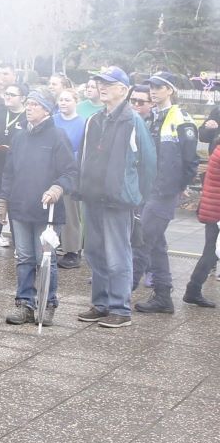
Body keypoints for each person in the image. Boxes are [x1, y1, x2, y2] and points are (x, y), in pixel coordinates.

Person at [76, 66, 156, 328]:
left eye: (108, 83)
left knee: (118, 254)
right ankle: (100, 304)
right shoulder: (94, 120)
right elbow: (84, 157)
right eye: (100, 82)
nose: (102, 87)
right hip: (93, 196)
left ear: (124, 89)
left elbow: (148, 163)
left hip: (118, 200)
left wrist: (135, 195)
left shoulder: (133, 121)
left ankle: (120, 309)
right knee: (95, 252)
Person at [0, 88, 78, 326]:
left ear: (46, 109)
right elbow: (9, 172)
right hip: (20, 207)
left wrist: (57, 188)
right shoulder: (20, 136)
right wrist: (3, 200)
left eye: (34, 104)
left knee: (46, 259)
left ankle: (47, 303)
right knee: (23, 258)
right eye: (28, 103)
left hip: (47, 210)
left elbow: (70, 172)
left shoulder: (57, 136)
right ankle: (24, 304)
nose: (29, 107)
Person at [131, 72, 200, 315]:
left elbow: (191, 160)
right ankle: (163, 296)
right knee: (156, 244)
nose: (153, 90)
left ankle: (120, 292)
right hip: (150, 190)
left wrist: (176, 187)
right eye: (151, 86)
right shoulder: (153, 117)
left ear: (170, 90)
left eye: (159, 86)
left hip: (163, 192)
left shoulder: (180, 117)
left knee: (142, 240)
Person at [0, 81, 27, 255]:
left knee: (17, 204)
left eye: (12, 95)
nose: (7, 97)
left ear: (23, 98)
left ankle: (20, 245)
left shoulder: (27, 116)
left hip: (19, 167)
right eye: (6, 94)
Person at [54, 88, 87, 270]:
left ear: (76, 102)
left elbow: (82, 150)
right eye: (61, 99)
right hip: (52, 172)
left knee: (71, 213)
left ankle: (72, 250)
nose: (63, 103)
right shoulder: (53, 120)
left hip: (71, 172)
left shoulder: (82, 123)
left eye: (67, 100)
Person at [184, 145, 220, 308]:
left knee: (211, 252)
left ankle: (193, 290)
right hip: (216, 210)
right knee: (211, 252)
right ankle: (193, 290)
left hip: (214, 208)